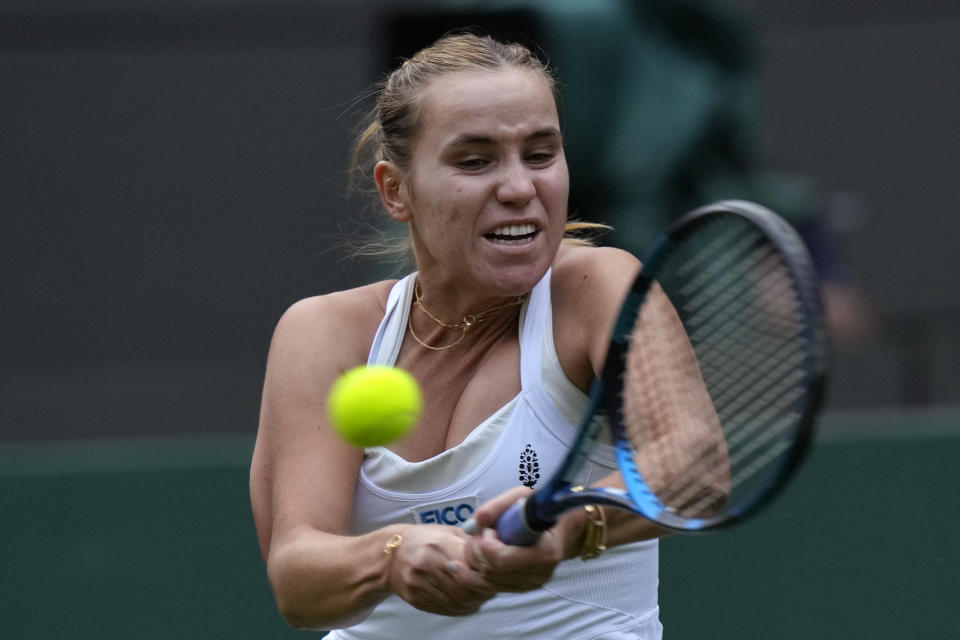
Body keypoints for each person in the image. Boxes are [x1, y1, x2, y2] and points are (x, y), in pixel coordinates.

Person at [250, 32, 672, 639]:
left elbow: (692, 466)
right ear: (396, 190)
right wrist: (392, 557)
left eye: (540, 153)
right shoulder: (324, 333)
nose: (519, 187)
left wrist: (567, 524)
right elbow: (298, 580)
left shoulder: (599, 288)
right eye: (474, 161)